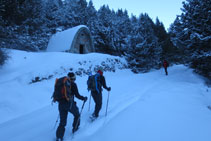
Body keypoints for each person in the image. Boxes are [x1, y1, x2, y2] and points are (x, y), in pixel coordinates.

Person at [53, 72, 87, 141]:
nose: (74, 80)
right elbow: (77, 95)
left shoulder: (62, 83)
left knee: (62, 122)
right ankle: (75, 129)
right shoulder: (73, 85)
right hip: (69, 104)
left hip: (60, 104)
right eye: (74, 78)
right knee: (77, 115)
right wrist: (83, 98)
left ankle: (59, 137)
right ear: (73, 78)